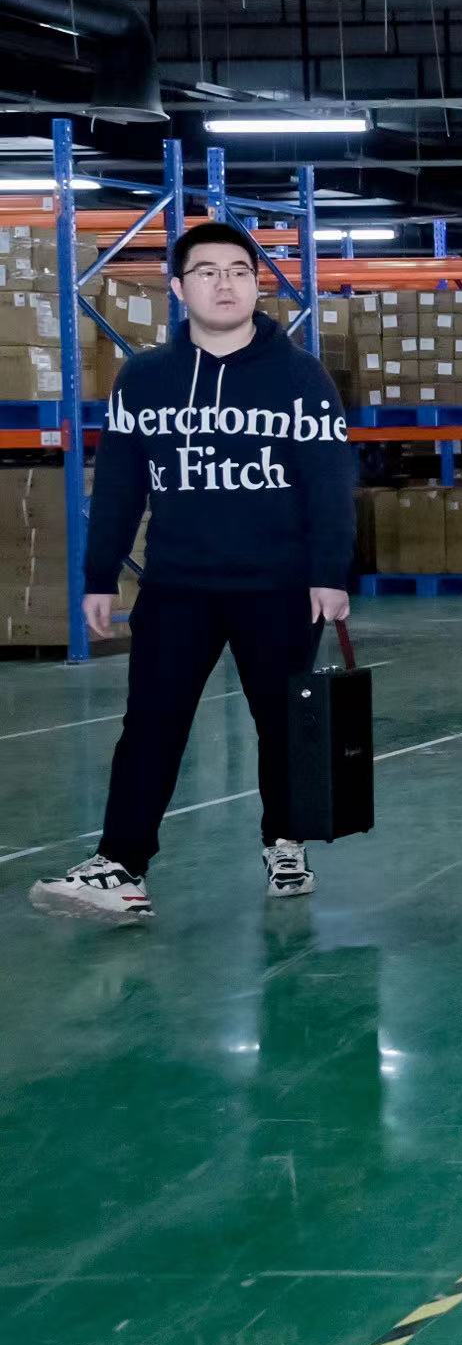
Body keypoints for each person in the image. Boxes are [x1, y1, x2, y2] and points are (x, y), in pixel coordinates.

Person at [30, 223, 359, 925]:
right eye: (207, 272)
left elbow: (330, 484)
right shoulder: (144, 379)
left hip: (279, 587)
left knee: (282, 724)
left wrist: (330, 574)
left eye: (239, 271)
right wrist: (99, 576)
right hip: (177, 586)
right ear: (179, 289)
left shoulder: (301, 378)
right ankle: (121, 865)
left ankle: (285, 840)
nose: (224, 283)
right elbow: (119, 486)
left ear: (256, 286)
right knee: (151, 723)